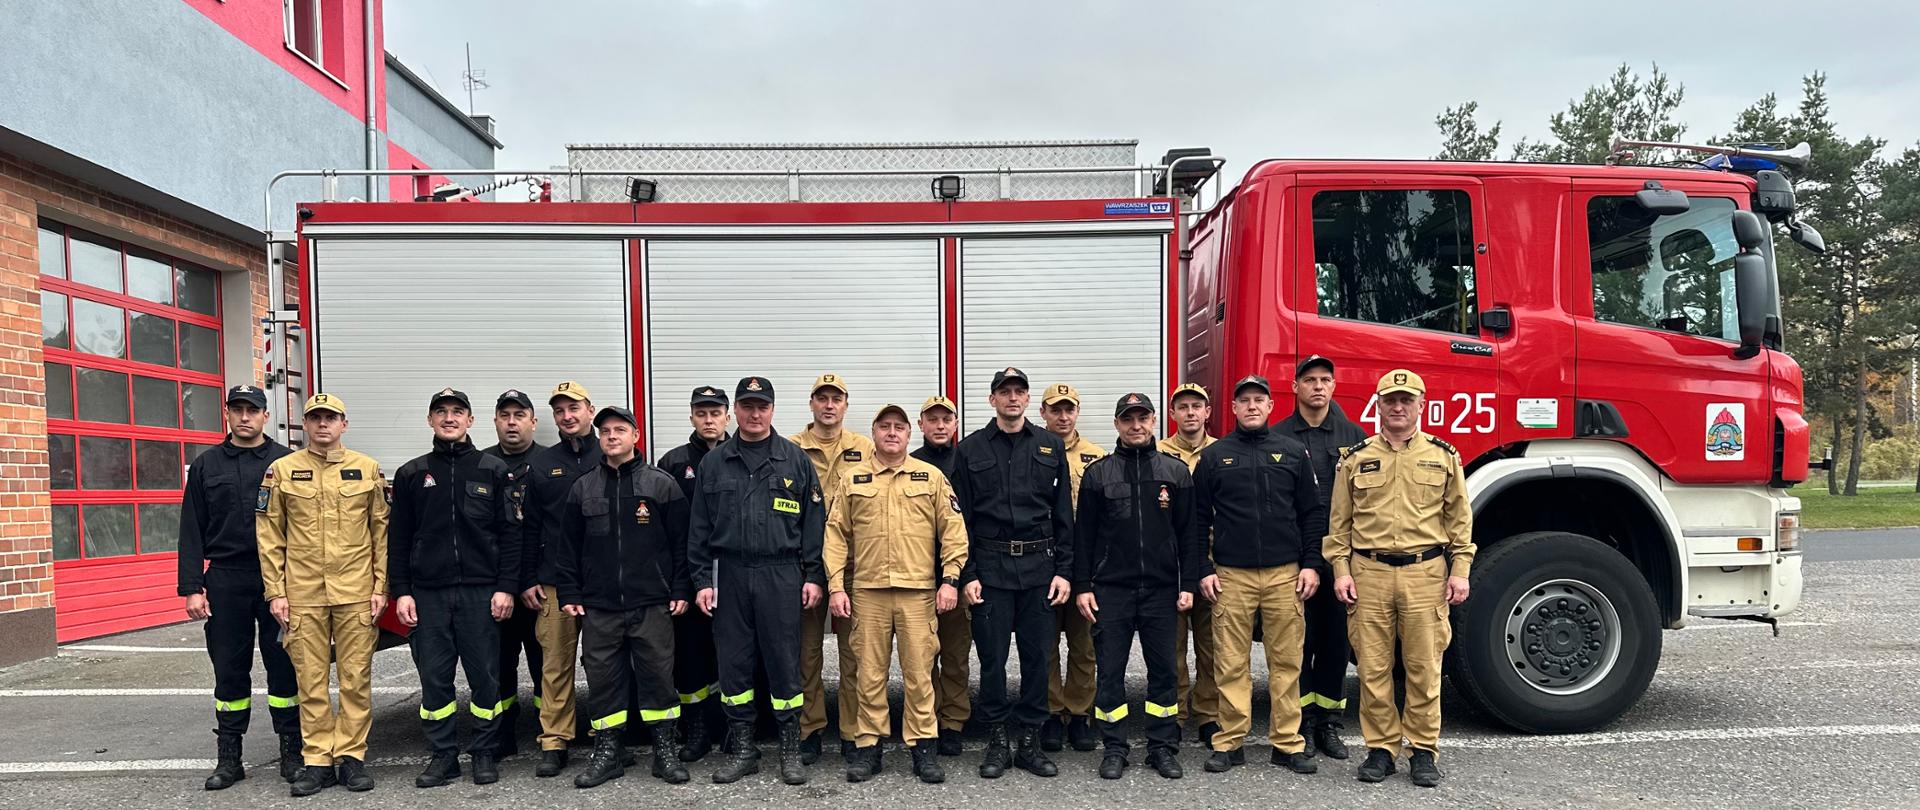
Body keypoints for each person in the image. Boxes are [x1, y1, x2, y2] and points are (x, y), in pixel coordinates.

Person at [1326, 369, 1476, 788]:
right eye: (1390, 400)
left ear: (1421, 405)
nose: (1397, 407)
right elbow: (1338, 526)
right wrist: (1341, 571)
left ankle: (1423, 751)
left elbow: (1459, 521)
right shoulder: (1355, 459)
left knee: (1423, 667)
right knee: (1373, 669)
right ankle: (1381, 750)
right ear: (1378, 405)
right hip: (1369, 574)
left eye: (1406, 400)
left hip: (1425, 574)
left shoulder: (1443, 456)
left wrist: (1460, 571)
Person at [690, 376, 827, 786]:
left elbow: (814, 525)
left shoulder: (794, 459)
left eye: (761, 406)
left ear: (772, 410)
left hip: (780, 573)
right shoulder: (714, 463)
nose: (754, 414)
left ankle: (789, 749)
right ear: (735, 410)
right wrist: (702, 580)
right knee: (733, 664)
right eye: (747, 406)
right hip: (729, 572)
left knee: (785, 662)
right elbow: (698, 529)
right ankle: (744, 749)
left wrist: (813, 575)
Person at [825, 403, 969, 784]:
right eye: (884, 426)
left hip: (917, 593)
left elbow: (954, 532)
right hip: (867, 593)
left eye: (899, 427)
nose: (892, 433)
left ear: (909, 434)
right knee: (869, 675)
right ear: (873, 433)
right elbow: (835, 536)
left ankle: (923, 750)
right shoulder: (853, 479)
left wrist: (950, 580)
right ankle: (868, 749)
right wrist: (836, 586)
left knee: (919, 675)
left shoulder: (931, 477)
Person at [388, 388, 522, 788]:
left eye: (457, 412)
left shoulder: (494, 470)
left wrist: (506, 587)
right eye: (441, 412)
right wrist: (402, 591)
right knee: (435, 680)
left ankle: (484, 752)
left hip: (481, 593)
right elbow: (398, 538)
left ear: (470, 421)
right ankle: (443, 756)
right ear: (430, 420)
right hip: (428, 594)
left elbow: (511, 535)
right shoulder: (411, 474)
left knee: (486, 678)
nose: (449, 418)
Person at [1192, 374, 1326, 776]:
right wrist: (1203, 569)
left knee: (1286, 663)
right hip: (1231, 576)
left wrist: (1311, 564)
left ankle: (1287, 744)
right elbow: (1196, 519)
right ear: (1233, 408)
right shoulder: (1215, 457)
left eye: (1259, 400)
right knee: (1230, 663)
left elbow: (1312, 513)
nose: (1251, 406)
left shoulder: (1292, 452)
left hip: (1285, 575)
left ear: (1271, 406)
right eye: (1244, 400)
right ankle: (1230, 742)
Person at [257, 393, 388, 797]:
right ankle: (317, 761)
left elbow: (381, 534)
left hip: (355, 593)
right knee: (310, 682)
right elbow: (269, 535)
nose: (323, 424)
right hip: (303, 595)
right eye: (316, 418)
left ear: (344, 424)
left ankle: (351, 757)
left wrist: (380, 587)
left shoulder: (367, 469)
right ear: (306, 424)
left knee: (355, 679)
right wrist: (275, 592)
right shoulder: (281, 471)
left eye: (331, 418)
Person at [556, 406, 692, 788]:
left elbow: (681, 544)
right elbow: (568, 547)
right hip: (600, 606)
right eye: (605, 431)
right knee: (603, 680)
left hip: (651, 602)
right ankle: (608, 752)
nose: (612, 436)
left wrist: (681, 588)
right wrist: (569, 590)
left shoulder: (661, 484)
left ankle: (664, 751)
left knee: (658, 677)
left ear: (635, 436)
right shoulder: (583, 487)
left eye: (619, 430)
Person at [951, 367, 1075, 779]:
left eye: (1019, 391)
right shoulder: (969, 450)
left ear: (1027, 399)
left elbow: (1063, 515)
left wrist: (1064, 571)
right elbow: (961, 521)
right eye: (1004, 392)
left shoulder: (1049, 446)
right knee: (992, 660)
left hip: (1040, 569)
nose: (1012, 398)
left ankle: (1030, 743)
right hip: (990, 570)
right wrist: (967, 574)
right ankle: (997, 741)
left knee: (1038, 659)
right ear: (992, 400)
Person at [179, 384, 299, 790]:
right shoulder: (207, 465)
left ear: (266, 415)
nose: (245, 417)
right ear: (227, 413)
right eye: (238, 409)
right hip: (227, 578)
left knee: (284, 667)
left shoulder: (286, 462)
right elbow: (191, 529)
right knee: (229, 669)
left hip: (278, 578)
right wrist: (192, 587)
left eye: (253, 410)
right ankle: (229, 758)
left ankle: (292, 753)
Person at [1073, 393, 1197, 781]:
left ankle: (1162, 747)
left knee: (1164, 672)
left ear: (1155, 421)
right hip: (1111, 590)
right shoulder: (1098, 474)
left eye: (1143, 417)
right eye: (1128, 419)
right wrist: (1083, 585)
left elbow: (1189, 534)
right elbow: (1083, 537)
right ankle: (1114, 748)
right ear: (1117, 425)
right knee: (1110, 672)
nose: (1136, 425)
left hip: (1162, 589)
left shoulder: (1175, 472)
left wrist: (1188, 583)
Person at [1275, 356, 1366, 759]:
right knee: (1297, 643)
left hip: (1340, 561)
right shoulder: (1278, 436)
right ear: (1295, 387)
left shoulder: (1355, 437)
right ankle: (1302, 723)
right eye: (1309, 379)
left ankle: (1328, 723)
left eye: (1324, 379)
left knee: (1335, 644)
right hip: (1295, 558)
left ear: (1334, 386)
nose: (1317, 386)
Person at [517, 381, 604, 777]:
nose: (567, 416)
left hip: (604, 582)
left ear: (590, 411)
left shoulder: (611, 453)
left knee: (604, 663)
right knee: (555, 663)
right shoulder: (542, 464)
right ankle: (554, 740)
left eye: (574, 408)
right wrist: (527, 578)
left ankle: (606, 733)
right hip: (554, 582)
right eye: (560, 411)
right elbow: (529, 527)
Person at [789, 373, 875, 764]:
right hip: (805, 566)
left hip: (853, 566)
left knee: (854, 653)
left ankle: (853, 731)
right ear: (811, 404)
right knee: (806, 654)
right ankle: (810, 729)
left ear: (845, 404)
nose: (828, 405)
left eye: (835, 399)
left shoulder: (864, 447)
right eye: (821, 398)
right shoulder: (791, 448)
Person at [655, 386, 732, 762]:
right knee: (690, 655)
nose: (709, 420)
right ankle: (697, 727)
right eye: (701, 413)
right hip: (688, 574)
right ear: (691, 417)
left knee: (733, 653)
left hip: (733, 572)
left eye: (715, 413)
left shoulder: (742, 456)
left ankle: (732, 725)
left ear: (727, 417)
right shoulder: (673, 463)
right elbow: (663, 530)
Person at [1156, 383, 1221, 746]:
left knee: (1212, 648)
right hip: (1172, 565)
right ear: (1173, 414)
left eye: (1197, 406)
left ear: (1208, 412)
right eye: (1183, 407)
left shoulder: (1223, 452)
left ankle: (1209, 714)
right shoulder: (1157, 453)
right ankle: (1177, 714)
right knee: (1173, 648)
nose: (1191, 412)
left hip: (1214, 564)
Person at [1038, 382, 1101, 752]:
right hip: (1044, 561)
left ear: (1077, 412)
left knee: (1083, 644)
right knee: (1045, 642)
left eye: (1069, 409)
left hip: (1083, 563)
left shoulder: (1096, 455)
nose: (1063, 417)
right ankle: (1051, 712)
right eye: (1055, 410)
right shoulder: (1035, 450)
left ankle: (1079, 714)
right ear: (1043, 413)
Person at [482, 389, 544, 760]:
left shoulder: (549, 463)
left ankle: (547, 730)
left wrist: (532, 578)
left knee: (544, 664)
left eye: (519, 415)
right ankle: (503, 731)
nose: (511, 422)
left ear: (533, 422)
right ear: (495, 422)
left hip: (537, 587)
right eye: (505, 416)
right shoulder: (481, 464)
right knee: (499, 664)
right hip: (498, 586)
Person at [910, 395, 970, 756]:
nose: (940, 425)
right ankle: (926, 721)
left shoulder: (967, 461)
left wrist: (962, 576)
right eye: (932, 419)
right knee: (922, 658)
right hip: (917, 577)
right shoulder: (909, 463)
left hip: (955, 576)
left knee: (955, 654)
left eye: (946, 419)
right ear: (921, 424)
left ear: (955, 425)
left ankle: (953, 722)